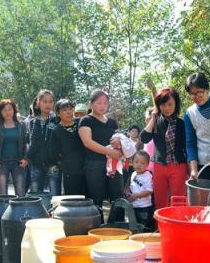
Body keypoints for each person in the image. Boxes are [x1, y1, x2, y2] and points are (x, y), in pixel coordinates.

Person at [78, 89, 123, 221]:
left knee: (117, 196)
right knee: (96, 198)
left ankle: (117, 226)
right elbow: (88, 142)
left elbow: (119, 138)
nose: (102, 106)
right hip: (94, 164)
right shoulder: (85, 120)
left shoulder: (112, 122)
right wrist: (109, 152)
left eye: (105, 103)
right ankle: (97, 226)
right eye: (99, 103)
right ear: (90, 104)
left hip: (114, 164)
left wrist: (119, 142)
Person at [140, 88, 188, 210]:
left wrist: (189, 168)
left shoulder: (182, 123)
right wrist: (153, 119)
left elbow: (187, 146)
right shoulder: (156, 122)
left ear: (176, 104)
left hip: (178, 166)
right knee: (160, 201)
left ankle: (177, 227)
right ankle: (159, 228)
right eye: (163, 104)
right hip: (160, 165)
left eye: (170, 104)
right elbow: (144, 138)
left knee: (178, 201)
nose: (166, 108)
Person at [0, 99, 28, 196]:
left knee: (21, 193)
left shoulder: (21, 125)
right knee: (2, 193)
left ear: (14, 110)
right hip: (1, 163)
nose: (7, 112)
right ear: (0, 112)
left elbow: (27, 144)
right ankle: (4, 211)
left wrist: (26, 159)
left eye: (10, 109)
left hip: (18, 163)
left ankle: (20, 211)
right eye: (4, 110)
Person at [27, 90, 61, 196]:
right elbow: (30, 142)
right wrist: (28, 158)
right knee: (35, 197)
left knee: (55, 197)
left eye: (50, 102)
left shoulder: (57, 120)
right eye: (45, 102)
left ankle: (54, 213)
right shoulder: (32, 122)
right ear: (38, 103)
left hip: (53, 164)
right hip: (35, 164)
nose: (48, 104)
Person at [51, 99, 86, 195]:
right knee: (72, 200)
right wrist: (64, 165)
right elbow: (54, 153)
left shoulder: (81, 124)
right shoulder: (56, 131)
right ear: (58, 113)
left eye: (70, 109)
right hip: (70, 172)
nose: (69, 112)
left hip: (86, 168)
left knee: (88, 199)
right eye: (65, 110)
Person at [126, 150, 154, 232]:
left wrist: (136, 195)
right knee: (134, 226)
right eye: (136, 162)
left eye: (142, 163)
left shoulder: (147, 175)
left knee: (144, 227)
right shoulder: (133, 174)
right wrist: (129, 194)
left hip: (144, 207)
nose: (139, 165)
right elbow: (132, 187)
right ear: (132, 162)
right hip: (134, 206)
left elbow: (149, 190)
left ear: (147, 165)